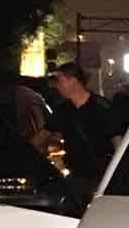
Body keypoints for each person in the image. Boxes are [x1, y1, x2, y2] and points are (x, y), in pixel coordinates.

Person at [46, 62, 116, 194]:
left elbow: (117, 141)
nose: (57, 86)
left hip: (101, 177)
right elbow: (43, 136)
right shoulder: (63, 110)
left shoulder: (102, 108)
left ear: (73, 81)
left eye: (60, 81)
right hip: (76, 176)